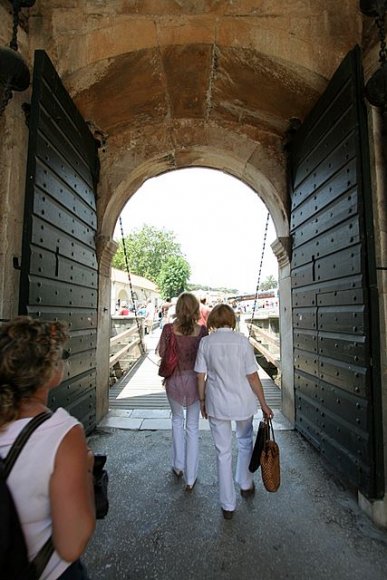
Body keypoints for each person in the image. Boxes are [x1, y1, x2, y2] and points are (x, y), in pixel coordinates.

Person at [0, 317, 95, 579]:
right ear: (48, 370)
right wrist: (86, 471)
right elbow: (71, 545)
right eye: (61, 355)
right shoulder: (63, 434)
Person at [194, 304, 273, 520]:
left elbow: (200, 376)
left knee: (223, 452)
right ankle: (245, 483)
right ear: (232, 320)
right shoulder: (242, 342)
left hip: (217, 402)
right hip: (242, 402)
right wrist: (263, 403)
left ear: (211, 322)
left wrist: (202, 400)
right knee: (245, 441)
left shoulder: (206, 343)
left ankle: (228, 505)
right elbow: (253, 377)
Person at [156, 293, 208, 491]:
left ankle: (178, 465)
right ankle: (191, 478)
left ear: (178, 308)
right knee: (193, 427)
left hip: (175, 381)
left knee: (177, 420)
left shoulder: (169, 329)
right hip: (195, 382)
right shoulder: (202, 331)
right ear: (196, 309)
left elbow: (162, 352)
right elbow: (206, 358)